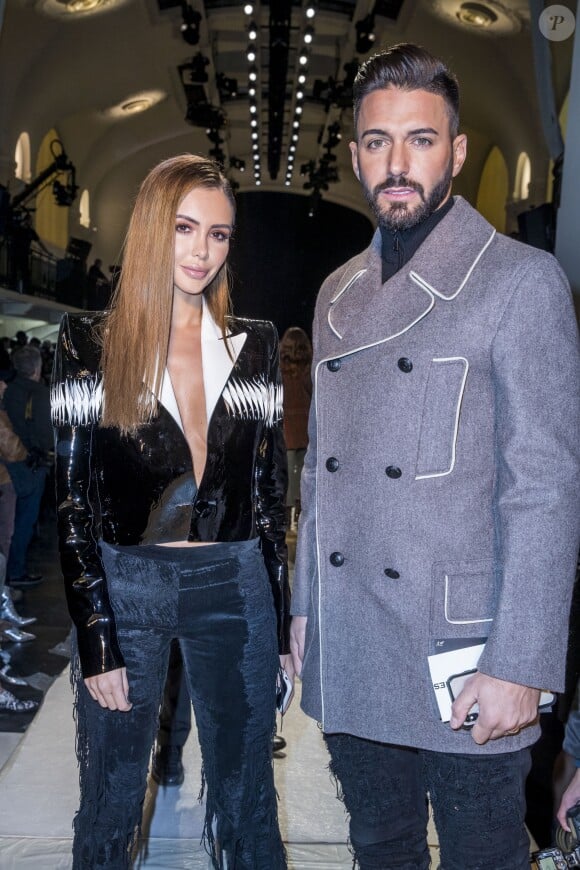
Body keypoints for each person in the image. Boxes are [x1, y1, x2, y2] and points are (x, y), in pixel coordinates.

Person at [290, 43, 580, 870]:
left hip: (464, 655)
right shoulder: (338, 292)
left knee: (483, 856)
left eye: (420, 140)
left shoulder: (521, 283)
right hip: (354, 639)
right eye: (378, 142)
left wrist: (521, 662)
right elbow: (319, 472)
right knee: (378, 848)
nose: (397, 163)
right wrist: (308, 606)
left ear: (455, 151)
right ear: (354, 156)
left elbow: (546, 491)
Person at [51, 154, 292, 869]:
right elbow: (72, 502)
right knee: (114, 788)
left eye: (219, 235)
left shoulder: (257, 346)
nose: (201, 250)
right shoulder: (88, 345)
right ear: (155, 229)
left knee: (247, 791)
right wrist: (96, 634)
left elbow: (271, 492)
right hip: (129, 589)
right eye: (186, 228)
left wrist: (277, 623)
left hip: (237, 584)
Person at [3, 345, 53, 589]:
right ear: (37, 367)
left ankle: (10, 570)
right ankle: (16, 571)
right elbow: (45, 434)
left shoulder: (9, 390)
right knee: (25, 521)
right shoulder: (40, 393)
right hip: (32, 464)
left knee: (10, 523)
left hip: (10, 464)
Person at [279, 327, 312, 532]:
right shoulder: (310, 370)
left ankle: (285, 523)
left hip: (287, 432)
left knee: (287, 483)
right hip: (307, 432)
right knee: (304, 480)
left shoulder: (279, 369)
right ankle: (300, 522)